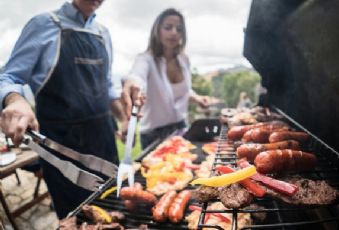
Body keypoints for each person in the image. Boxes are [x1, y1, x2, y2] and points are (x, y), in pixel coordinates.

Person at [0, 0, 141, 218]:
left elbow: (106, 87)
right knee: (77, 217)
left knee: (115, 208)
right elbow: (9, 77)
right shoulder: (43, 24)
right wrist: (14, 99)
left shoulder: (103, 33)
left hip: (104, 140)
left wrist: (123, 119)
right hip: (62, 145)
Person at [121, 8, 210, 148]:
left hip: (181, 128)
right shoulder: (145, 59)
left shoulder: (184, 60)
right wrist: (132, 84)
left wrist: (197, 98)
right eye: (168, 27)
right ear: (157, 31)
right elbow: (136, 76)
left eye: (179, 29)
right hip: (153, 135)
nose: (174, 32)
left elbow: (182, 91)